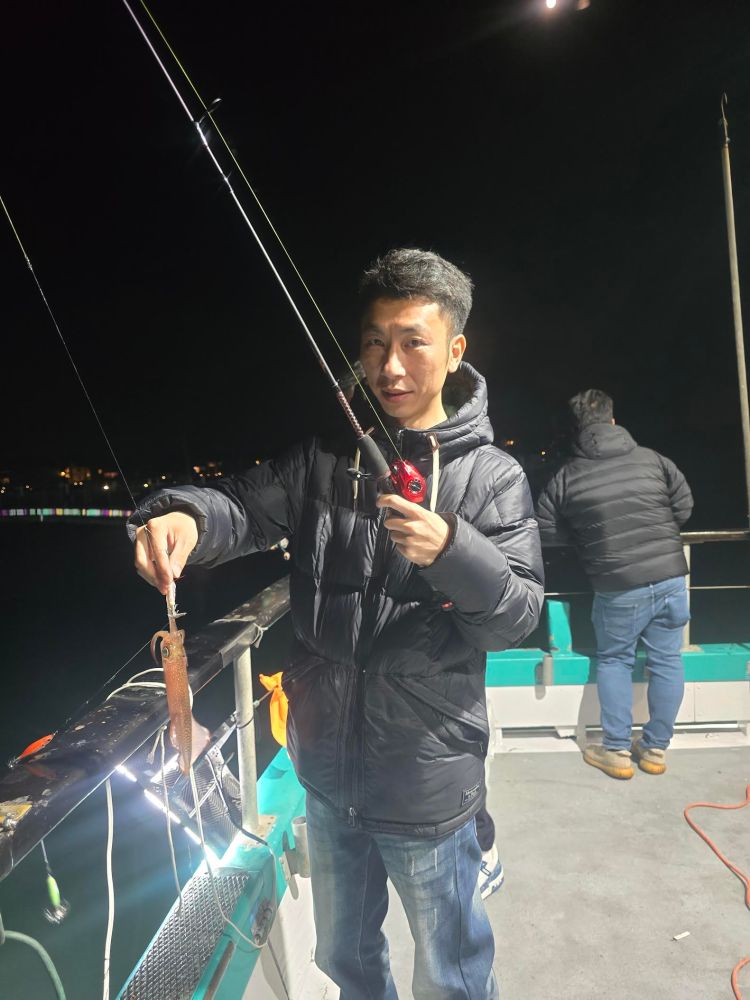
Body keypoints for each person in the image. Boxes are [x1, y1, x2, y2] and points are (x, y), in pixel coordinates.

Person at [131, 248, 544, 999]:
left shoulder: (493, 477)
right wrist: (186, 517)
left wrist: (453, 552)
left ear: (455, 350)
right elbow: (241, 508)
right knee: (345, 959)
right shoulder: (324, 461)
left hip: (425, 780)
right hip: (324, 776)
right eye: (375, 343)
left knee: (451, 974)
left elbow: (516, 618)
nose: (390, 366)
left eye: (413, 342)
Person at [536, 389, 693, 780]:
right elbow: (684, 507)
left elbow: (546, 531)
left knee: (615, 660)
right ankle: (655, 749)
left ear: (577, 428)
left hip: (618, 583)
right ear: (612, 419)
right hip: (672, 577)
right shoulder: (654, 459)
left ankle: (617, 750)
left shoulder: (565, 476)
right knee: (668, 660)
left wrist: (588, 538)